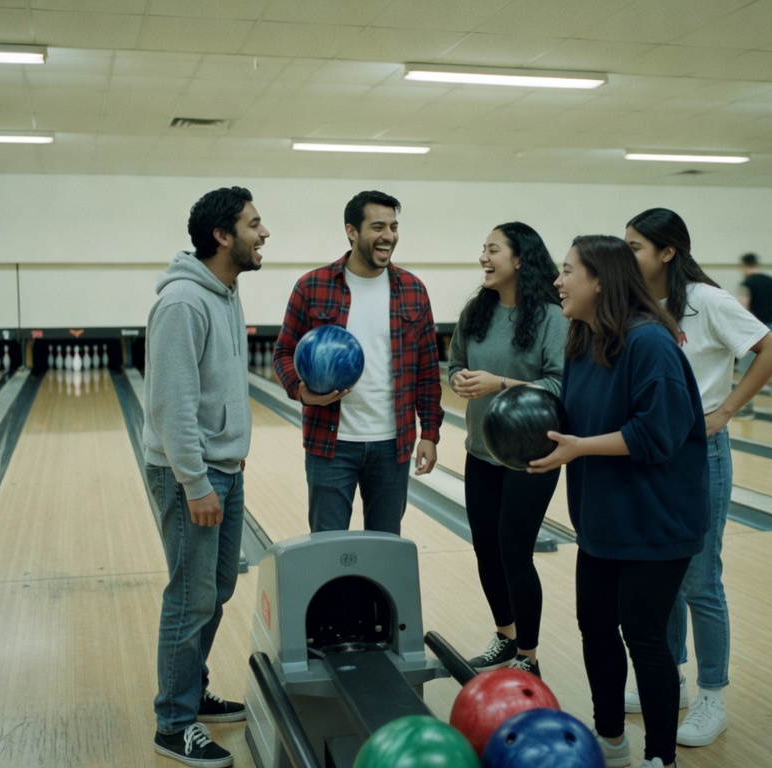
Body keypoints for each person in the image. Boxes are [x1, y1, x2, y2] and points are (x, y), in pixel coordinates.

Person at [530, 234, 709, 768]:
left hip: (656, 521)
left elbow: (658, 434)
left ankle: (661, 758)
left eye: (567, 271)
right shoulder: (582, 339)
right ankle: (610, 739)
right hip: (604, 517)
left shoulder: (650, 343)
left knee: (646, 639)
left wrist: (581, 448)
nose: (557, 281)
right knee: (597, 628)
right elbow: (574, 412)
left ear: (601, 280)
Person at [623, 207, 772, 749]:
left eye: (636, 248)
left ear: (668, 252)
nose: (627, 257)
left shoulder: (707, 301)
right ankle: (671, 680)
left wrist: (727, 410)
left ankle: (713, 694)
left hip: (701, 452)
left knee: (700, 578)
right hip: (653, 454)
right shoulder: (642, 304)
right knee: (663, 575)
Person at [142, 186, 265, 768]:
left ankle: (191, 690)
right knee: (191, 599)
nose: (264, 233)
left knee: (216, 591)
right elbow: (170, 404)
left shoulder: (227, 290)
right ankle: (174, 723)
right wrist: (195, 482)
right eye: (253, 223)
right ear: (222, 236)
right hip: (192, 475)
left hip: (223, 467)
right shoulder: (184, 304)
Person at [273, 190, 441, 534]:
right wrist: (303, 392)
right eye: (378, 226)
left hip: (392, 444)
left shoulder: (413, 290)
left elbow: (427, 370)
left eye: (393, 227)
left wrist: (431, 433)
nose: (389, 236)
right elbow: (283, 353)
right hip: (331, 444)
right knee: (328, 547)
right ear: (351, 231)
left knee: (384, 547)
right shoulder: (312, 286)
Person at [448, 222, 567, 678]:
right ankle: (505, 635)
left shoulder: (552, 319)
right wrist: (459, 376)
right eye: (483, 248)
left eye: (492, 249)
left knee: (514, 551)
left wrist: (500, 383)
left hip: (530, 456)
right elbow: (457, 359)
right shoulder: (476, 311)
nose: (483, 256)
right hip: (481, 451)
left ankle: (529, 657)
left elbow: (559, 386)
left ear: (519, 260)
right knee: (486, 550)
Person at [738, 253, 772, 346]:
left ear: (744, 265)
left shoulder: (747, 283)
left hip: (757, 330)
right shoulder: (771, 281)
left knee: (750, 360)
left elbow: (743, 308)